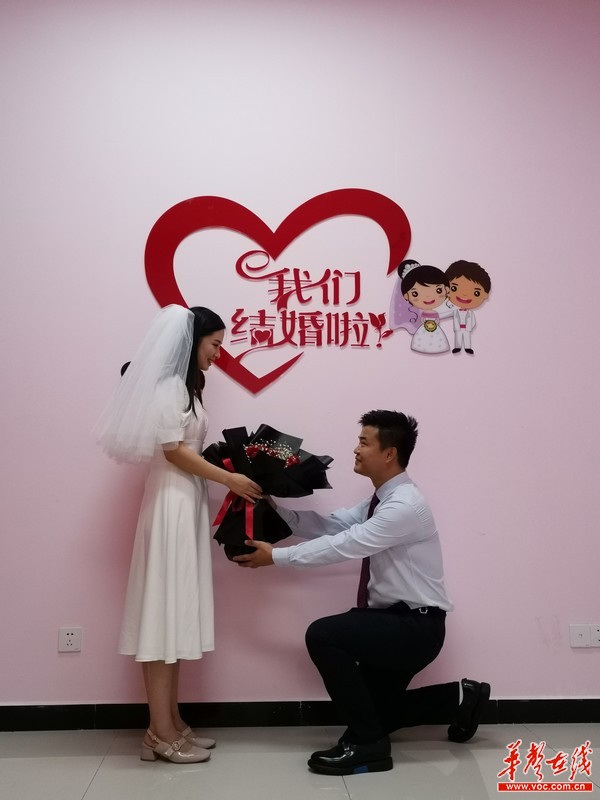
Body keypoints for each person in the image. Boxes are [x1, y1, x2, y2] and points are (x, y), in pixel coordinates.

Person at [234, 410, 490, 775]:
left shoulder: (404, 506)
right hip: (396, 622)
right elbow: (334, 525)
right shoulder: (383, 500)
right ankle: (460, 697)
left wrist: (275, 557)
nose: (356, 449)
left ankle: (369, 747)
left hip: (415, 627)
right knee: (374, 713)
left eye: (364, 442)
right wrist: (276, 510)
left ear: (389, 453)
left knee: (323, 635)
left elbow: (348, 543)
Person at [95, 304, 262, 764]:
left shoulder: (186, 389)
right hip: (170, 502)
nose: (218, 355)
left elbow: (187, 449)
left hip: (183, 500)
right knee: (162, 617)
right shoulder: (169, 386)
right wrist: (228, 479)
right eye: (214, 345)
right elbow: (173, 451)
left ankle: (171, 723)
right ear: (192, 342)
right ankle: (159, 732)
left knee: (172, 615)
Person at [444, 260, 491, 354]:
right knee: (458, 337)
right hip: (458, 328)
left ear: (485, 295)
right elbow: (446, 314)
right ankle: (457, 347)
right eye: (454, 288)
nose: (464, 294)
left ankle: (467, 347)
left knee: (466, 337)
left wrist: (469, 327)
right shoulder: (454, 310)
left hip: (467, 328)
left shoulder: (470, 312)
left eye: (476, 293)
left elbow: (473, 321)